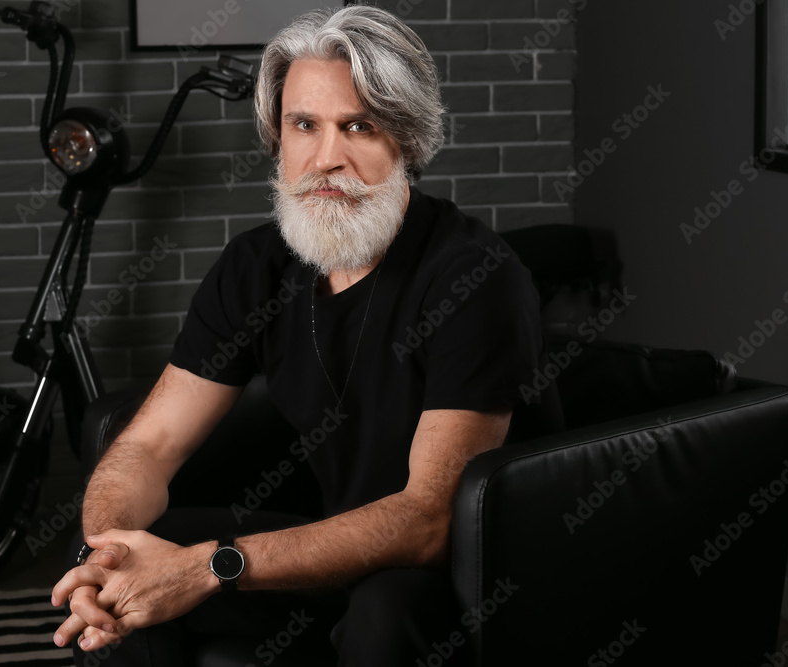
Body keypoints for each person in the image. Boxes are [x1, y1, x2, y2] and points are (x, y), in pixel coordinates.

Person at [51, 5, 543, 665]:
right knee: (133, 557)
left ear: (409, 139)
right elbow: (151, 442)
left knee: (383, 608)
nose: (326, 157)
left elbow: (429, 520)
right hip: (331, 542)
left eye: (359, 127)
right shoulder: (257, 266)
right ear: (276, 135)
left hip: (465, 569)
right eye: (304, 125)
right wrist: (109, 551)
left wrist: (210, 565)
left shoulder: (473, 276)